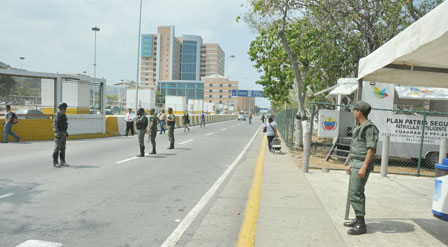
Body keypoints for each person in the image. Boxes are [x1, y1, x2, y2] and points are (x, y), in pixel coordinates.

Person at [344, 101, 379, 235]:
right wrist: (351, 164)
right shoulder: (359, 126)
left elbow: (371, 150)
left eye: (355, 110)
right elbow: (356, 148)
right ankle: (357, 218)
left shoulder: (369, 128)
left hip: (362, 164)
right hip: (356, 163)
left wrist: (363, 167)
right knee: (354, 192)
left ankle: (361, 224)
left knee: (355, 194)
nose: (353, 113)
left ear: (359, 112)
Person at [52, 103, 69, 168]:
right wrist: (56, 132)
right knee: (57, 148)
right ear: (61, 108)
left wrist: (65, 132)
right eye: (65, 108)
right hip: (58, 134)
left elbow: (64, 125)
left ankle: (62, 161)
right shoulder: (57, 115)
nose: (65, 110)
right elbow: (54, 125)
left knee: (63, 148)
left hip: (63, 133)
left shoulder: (64, 116)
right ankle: (55, 162)